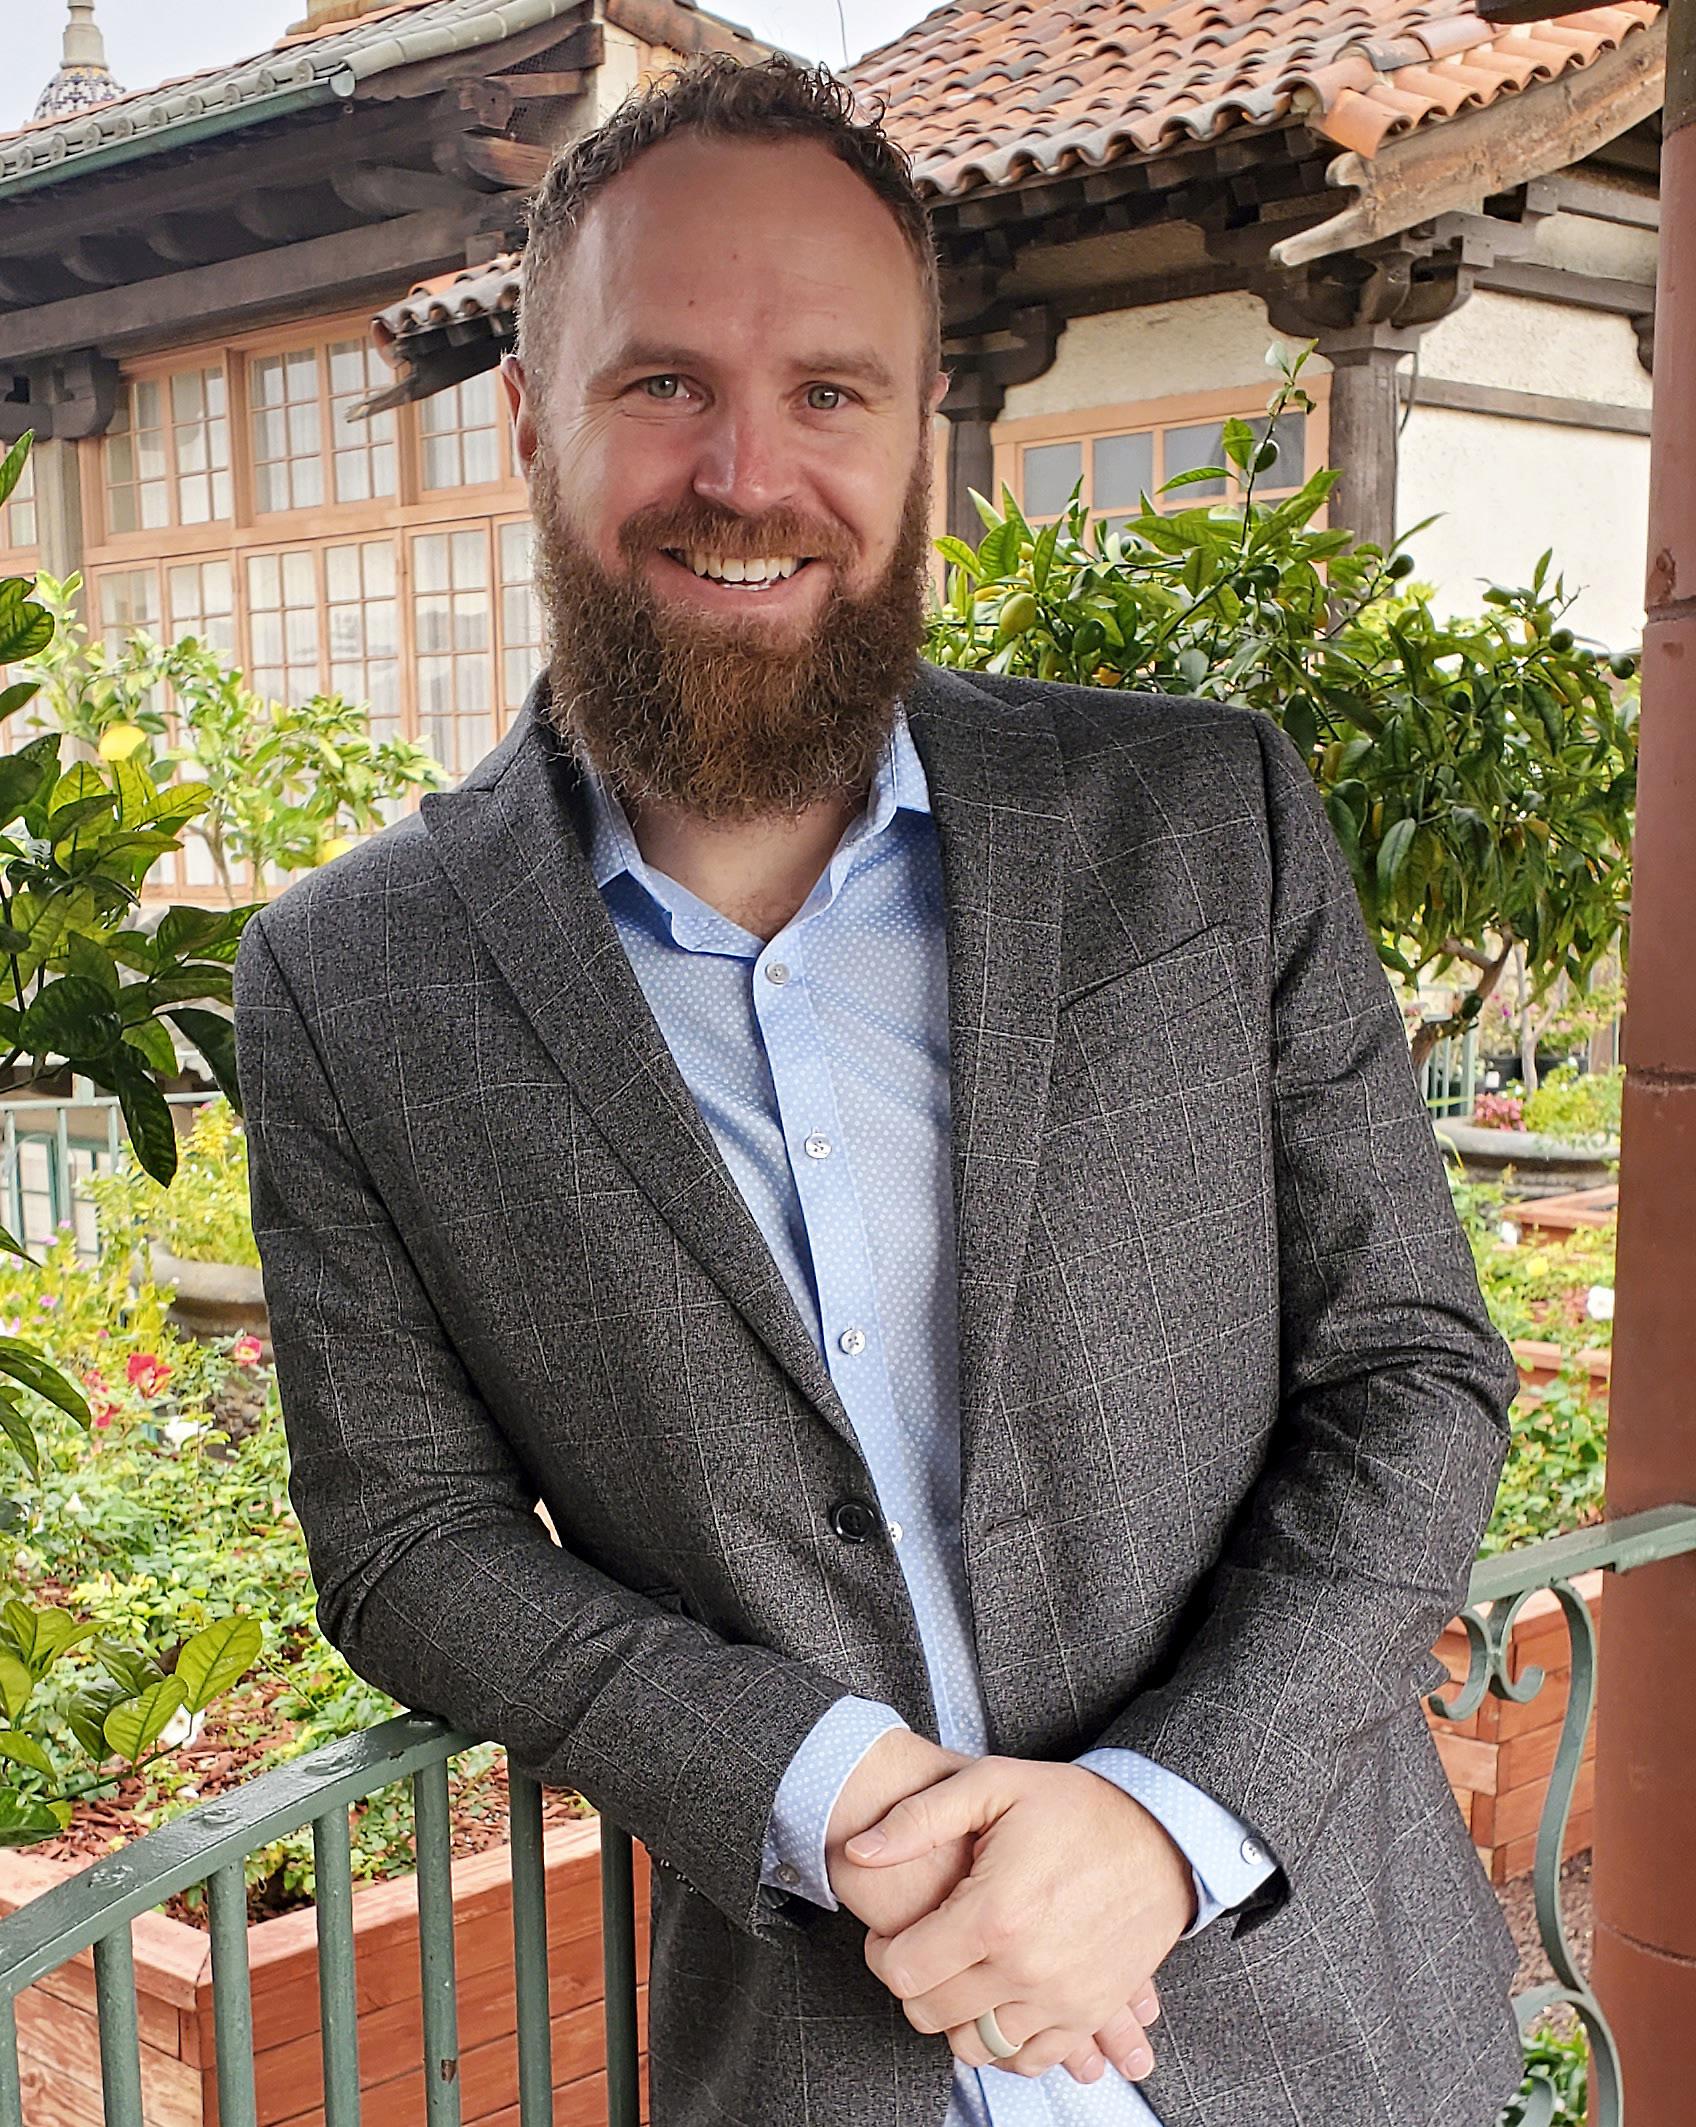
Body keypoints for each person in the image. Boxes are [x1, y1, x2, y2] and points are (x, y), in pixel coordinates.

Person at [231, 53, 1524, 2127]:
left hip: (1323, 2030)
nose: (747, 473)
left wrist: (1167, 1814)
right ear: (532, 418)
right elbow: (406, 1537)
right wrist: (814, 1784)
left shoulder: (1200, 821)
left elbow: (1412, 1366)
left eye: (827, 391)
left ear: (919, 425)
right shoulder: (348, 978)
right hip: (808, 2057)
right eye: (663, 381)